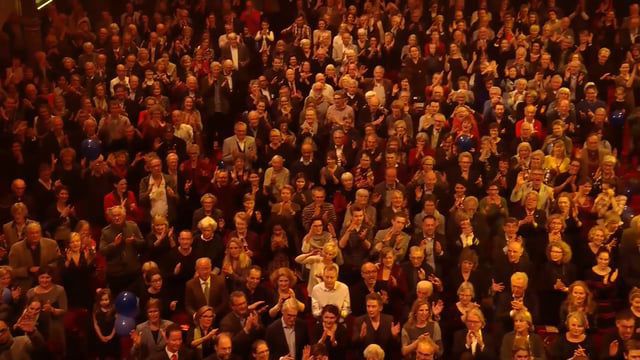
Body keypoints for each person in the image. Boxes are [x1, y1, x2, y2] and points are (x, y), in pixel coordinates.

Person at [99, 205, 144, 295]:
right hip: (115, 274)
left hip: (133, 271)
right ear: (110, 217)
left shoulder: (132, 226)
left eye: (119, 215)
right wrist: (114, 244)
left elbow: (143, 244)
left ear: (124, 215)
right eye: (114, 216)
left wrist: (134, 241)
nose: (116, 218)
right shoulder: (106, 232)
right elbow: (102, 251)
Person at [8, 222, 60, 292]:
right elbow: (12, 271)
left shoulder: (52, 244)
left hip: (48, 284)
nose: (35, 235)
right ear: (26, 234)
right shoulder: (16, 248)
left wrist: (44, 269)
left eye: (37, 232)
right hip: (25, 287)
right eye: (32, 233)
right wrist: (28, 270)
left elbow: (57, 262)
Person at [352, 293, 400, 359]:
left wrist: (394, 336)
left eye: (373, 306)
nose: (370, 309)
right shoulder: (359, 321)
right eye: (368, 306)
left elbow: (395, 347)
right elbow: (353, 345)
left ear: (380, 308)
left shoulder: (389, 320)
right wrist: (361, 337)